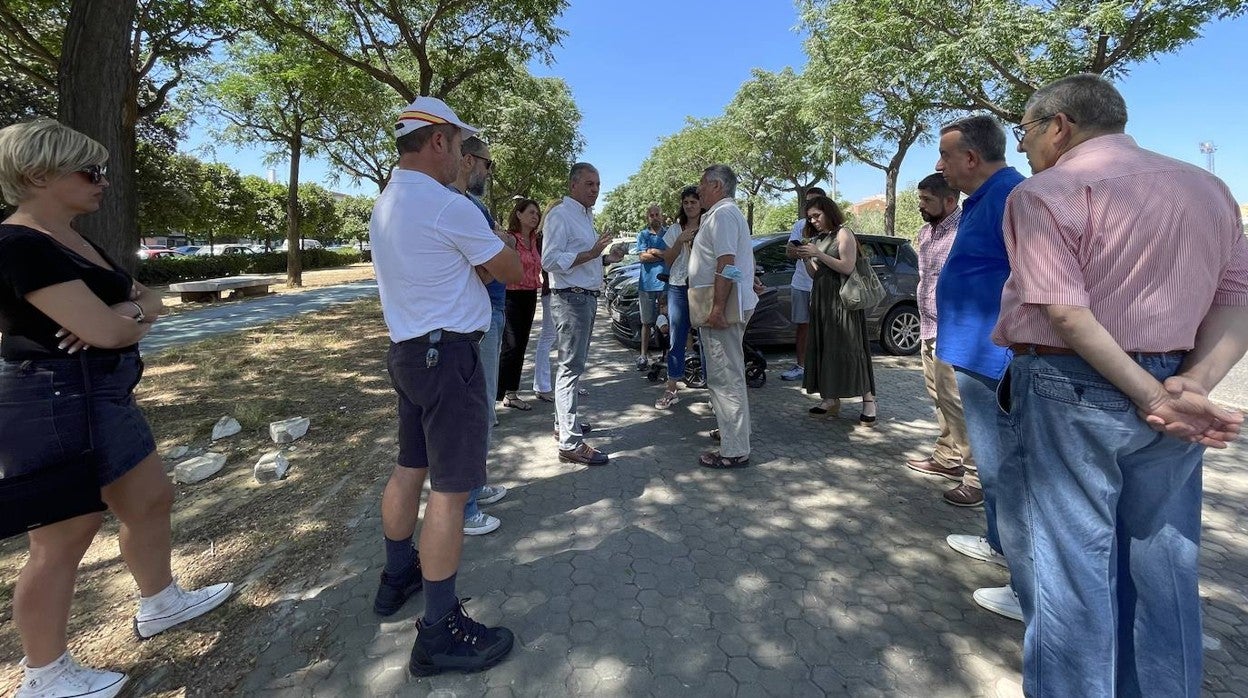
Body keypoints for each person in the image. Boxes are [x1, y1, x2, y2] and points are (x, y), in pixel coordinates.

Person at [994, 73, 1248, 698]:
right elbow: (1236, 299)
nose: (1023, 146)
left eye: (1026, 131)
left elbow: (1066, 312)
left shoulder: (1047, 192)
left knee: (1070, 572)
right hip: (1172, 386)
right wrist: (1189, 384)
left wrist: (1156, 396)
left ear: (1060, 125)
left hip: (1072, 389)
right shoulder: (1210, 189)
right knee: (1165, 563)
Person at [0, 119, 233, 698]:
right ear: (38, 175)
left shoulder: (75, 239)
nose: (103, 181)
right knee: (64, 536)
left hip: (102, 393)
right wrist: (120, 321)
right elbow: (109, 326)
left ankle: (160, 602)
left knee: (151, 498)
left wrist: (127, 318)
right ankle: (44, 674)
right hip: (48, 400)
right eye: (90, 170)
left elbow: (143, 301)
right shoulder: (18, 244)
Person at [369, 97, 521, 675]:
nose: (463, 158)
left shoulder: (387, 202)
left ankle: (395, 577)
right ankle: (438, 630)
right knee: (451, 493)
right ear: (438, 141)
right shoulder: (446, 204)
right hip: (449, 358)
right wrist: (491, 254)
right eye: (460, 146)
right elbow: (510, 268)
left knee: (410, 468)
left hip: (408, 353)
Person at [933, 114, 1026, 621]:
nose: (939, 164)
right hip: (971, 352)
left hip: (995, 356)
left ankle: (1025, 581)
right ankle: (997, 541)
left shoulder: (1014, 195)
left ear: (971, 158)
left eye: (945, 155)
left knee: (1005, 465)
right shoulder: (980, 201)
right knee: (991, 463)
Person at [541, 163, 625, 465]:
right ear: (573, 185)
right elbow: (549, 259)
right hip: (571, 300)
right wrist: (591, 253)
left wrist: (605, 259)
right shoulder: (560, 215)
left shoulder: (584, 217)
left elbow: (582, 259)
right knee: (570, 369)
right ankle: (570, 443)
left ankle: (562, 425)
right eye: (589, 184)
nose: (595, 190)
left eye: (598, 184)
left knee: (571, 368)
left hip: (584, 297)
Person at [905, 173, 980, 506]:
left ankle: (977, 478)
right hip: (928, 327)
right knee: (938, 397)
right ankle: (947, 458)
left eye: (927, 200)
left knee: (957, 402)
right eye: (920, 199)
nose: (921, 206)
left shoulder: (966, 231)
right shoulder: (926, 232)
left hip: (954, 329)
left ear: (950, 201)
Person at [450, 136, 508, 537]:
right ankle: (466, 508)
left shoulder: (472, 206)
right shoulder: (463, 207)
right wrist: (502, 245)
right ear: (469, 160)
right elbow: (491, 266)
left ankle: (475, 486)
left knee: (482, 409)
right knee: (475, 412)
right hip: (477, 316)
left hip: (487, 312)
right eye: (488, 165)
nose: (489, 173)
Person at [688, 164, 758, 469]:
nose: (699, 190)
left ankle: (734, 450)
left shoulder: (724, 214)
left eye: (702, 184)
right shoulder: (721, 215)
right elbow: (735, 263)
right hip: (721, 304)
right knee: (725, 373)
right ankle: (732, 432)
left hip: (721, 309)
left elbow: (727, 263)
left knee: (725, 376)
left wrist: (717, 308)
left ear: (717, 186)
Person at [795, 196, 877, 425]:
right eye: (810, 218)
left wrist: (819, 254)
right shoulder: (820, 238)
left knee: (851, 347)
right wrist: (805, 257)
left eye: (816, 215)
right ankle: (830, 399)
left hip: (843, 301)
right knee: (826, 347)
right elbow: (815, 273)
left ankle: (869, 401)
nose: (813, 221)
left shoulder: (844, 233)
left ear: (828, 212)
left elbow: (847, 266)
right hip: (822, 301)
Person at [655, 186, 701, 409]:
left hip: (703, 288)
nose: (690, 206)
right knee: (677, 338)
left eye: (694, 201)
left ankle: (715, 393)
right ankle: (672, 387)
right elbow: (668, 260)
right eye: (686, 202)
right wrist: (679, 240)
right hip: (678, 286)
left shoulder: (709, 224)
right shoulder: (675, 229)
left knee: (708, 338)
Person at [497, 198, 543, 409]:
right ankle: (493, 397)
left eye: (537, 214)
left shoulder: (535, 240)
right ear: (519, 214)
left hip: (530, 295)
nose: (535, 217)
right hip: (511, 296)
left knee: (521, 344)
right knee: (510, 345)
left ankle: (511, 393)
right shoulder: (510, 239)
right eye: (531, 212)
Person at [780, 186, 826, 382]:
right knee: (803, 326)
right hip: (801, 283)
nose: (810, 207)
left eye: (815, 201)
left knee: (825, 327)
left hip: (823, 285)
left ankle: (824, 368)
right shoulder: (800, 225)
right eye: (807, 202)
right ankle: (801, 366)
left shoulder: (833, 228)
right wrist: (800, 251)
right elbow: (789, 251)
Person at [530, 199, 561, 403]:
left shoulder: (545, 235)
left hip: (558, 291)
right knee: (548, 338)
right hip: (553, 291)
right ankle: (542, 385)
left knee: (559, 340)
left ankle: (563, 386)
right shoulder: (543, 236)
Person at [634, 204, 669, 369]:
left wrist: (654, 251)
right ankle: (643, 355)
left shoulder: (668, 233)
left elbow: (671, 255)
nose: (655, 217)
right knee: (646, 322)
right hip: (647, 285)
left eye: (657, 214)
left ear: (661, 216)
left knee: (666, 322)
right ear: (648, 217)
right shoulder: (642, 235)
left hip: (665, 284)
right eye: (651, 215)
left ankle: (668, 354)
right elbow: (642, 258)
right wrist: (661, 255)